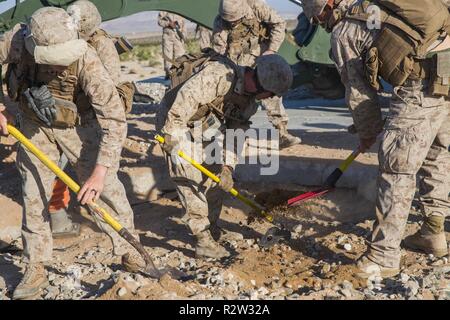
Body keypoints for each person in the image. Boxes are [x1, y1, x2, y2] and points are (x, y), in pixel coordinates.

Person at [0, 7, 143, 299]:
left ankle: (132, 252)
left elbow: (115, 120)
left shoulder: (88, 60)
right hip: (34, 125)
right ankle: (36, 263)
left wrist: (100, 172)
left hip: (79, 127)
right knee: (33, 192)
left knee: (107, 192)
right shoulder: (15, 40)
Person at [302, 0, 450, 278]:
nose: (322, 23)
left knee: (397, 166)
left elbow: (358, 91)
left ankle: (383, 256)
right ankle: (432, 231)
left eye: (320, 17)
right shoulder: (372, 5)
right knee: (435, 151)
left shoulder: (344, 30)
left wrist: (368, 131)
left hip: (419, 84)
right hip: (446, 72)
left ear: (328, 5)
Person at [158, 52, 293, 259]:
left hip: (202, 126)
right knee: (189, 179)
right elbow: (185, 99)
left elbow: (236, 134)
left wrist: (228, 167)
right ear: (262, 86)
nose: (271, 99)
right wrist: (170, 135)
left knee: (215, 176)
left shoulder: (249, 103)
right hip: (176, 121)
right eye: (272, 94)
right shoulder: (219, 75)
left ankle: (212, 228)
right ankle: (203, 242)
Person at [43, 0, 132, 239]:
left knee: (101, 176)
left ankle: (122, 236)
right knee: (55, 165)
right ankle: (58, 214)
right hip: (63, 115)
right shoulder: (63, 41)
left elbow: (109, 97)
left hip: (90, 119)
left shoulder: (101, 45)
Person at [212, 0, 301, 149]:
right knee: (236, 102)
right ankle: (235, 136)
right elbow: (219, 49)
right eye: (230, 21)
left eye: (235, 20)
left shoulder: (256, 6)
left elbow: (279, 23)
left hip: (260, 61)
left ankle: (282, 133)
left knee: (271, 95)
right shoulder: (221, 20)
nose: (232, 24)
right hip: (237, 65)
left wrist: (272, 50)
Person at [158, 11, 187, 78]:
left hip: (178, 36)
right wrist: (168, 23)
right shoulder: (164, 10)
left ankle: (178, 72)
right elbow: (159, 22)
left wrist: (184, 35)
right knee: (167, 56)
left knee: (180, 55)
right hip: (168, 36)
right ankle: (168, 73)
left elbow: (183, 23)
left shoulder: (179, 9)